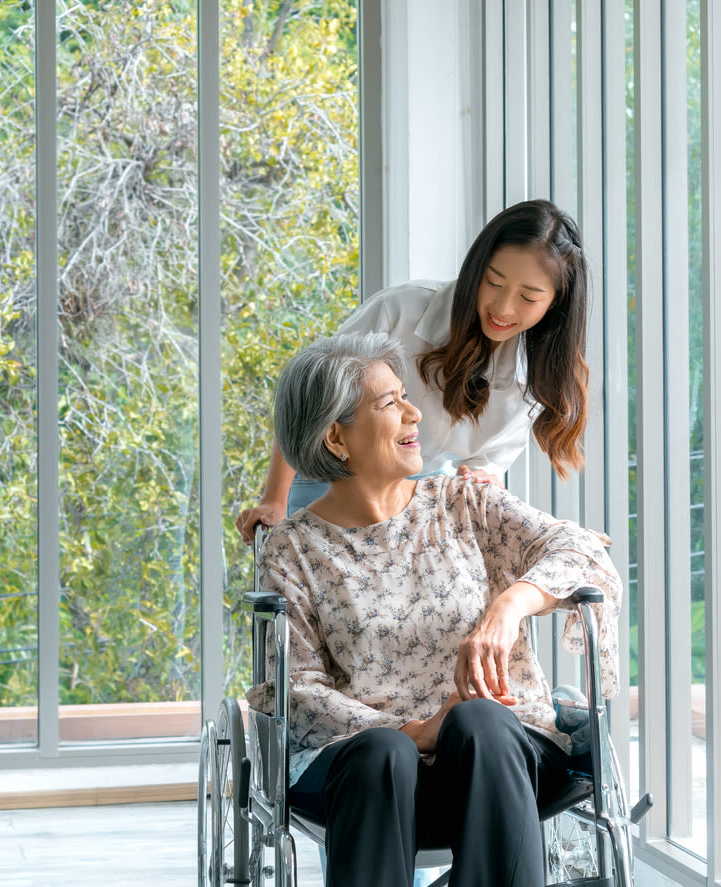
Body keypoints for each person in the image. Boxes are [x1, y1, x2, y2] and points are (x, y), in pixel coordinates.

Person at [245, 332, 622, 887]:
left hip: (500, 756)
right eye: (389, 402)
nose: (413, 412)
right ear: (336, 437)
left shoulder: (463, 503)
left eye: (405, 396)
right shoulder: (294, 549)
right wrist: (417, 731)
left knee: (480, 720)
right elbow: (293, 692)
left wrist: (508, 608)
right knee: (381, 753)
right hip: (367, 772)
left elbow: (582, 550)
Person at [235, 198, 590, 544]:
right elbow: (309, 396)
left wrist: (484, 477)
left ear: (555, 301)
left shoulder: (536, 377)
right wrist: (275, 499)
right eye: (493, 282)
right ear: (476, 267)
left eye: (528, 298)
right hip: (334, 479)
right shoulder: (402, 309)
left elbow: (487, 461)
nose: (503, 306)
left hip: (418, 498)